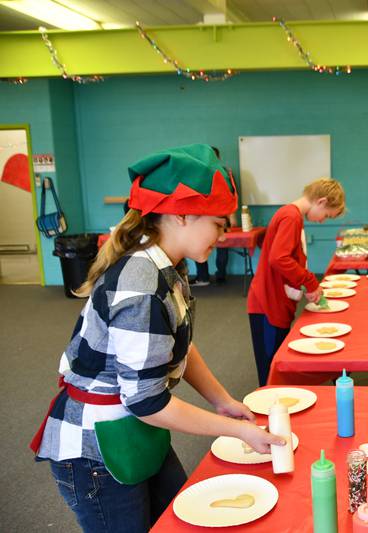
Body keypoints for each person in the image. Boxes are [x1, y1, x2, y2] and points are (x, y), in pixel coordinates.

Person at [30, 144, 285, 532]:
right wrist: (239, 430)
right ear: (182, 214)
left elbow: (177, 344)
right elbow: (147, 401)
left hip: (133, 430)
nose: (224, 234)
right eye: (218, 224)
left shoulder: (168, 266)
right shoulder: (142, 281)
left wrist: (224, 402)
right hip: (97, 451)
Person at [247, 177, 346, 386]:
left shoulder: (292, 215)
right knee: (271, 368)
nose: (321, 220)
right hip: (267, 302)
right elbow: (279, 258)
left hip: (274, 299)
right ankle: (267, 410)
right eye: (326, 215)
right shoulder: (291, 217)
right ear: (321, 201)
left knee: (275, 359)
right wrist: (309, 281)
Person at [191, 147, 233, 286]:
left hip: (207, 215)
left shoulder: (201, 172)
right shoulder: (226, 173)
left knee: (206, 244)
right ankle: (219, 275)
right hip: (216, 214)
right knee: (219, 244)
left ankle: (204, 277)